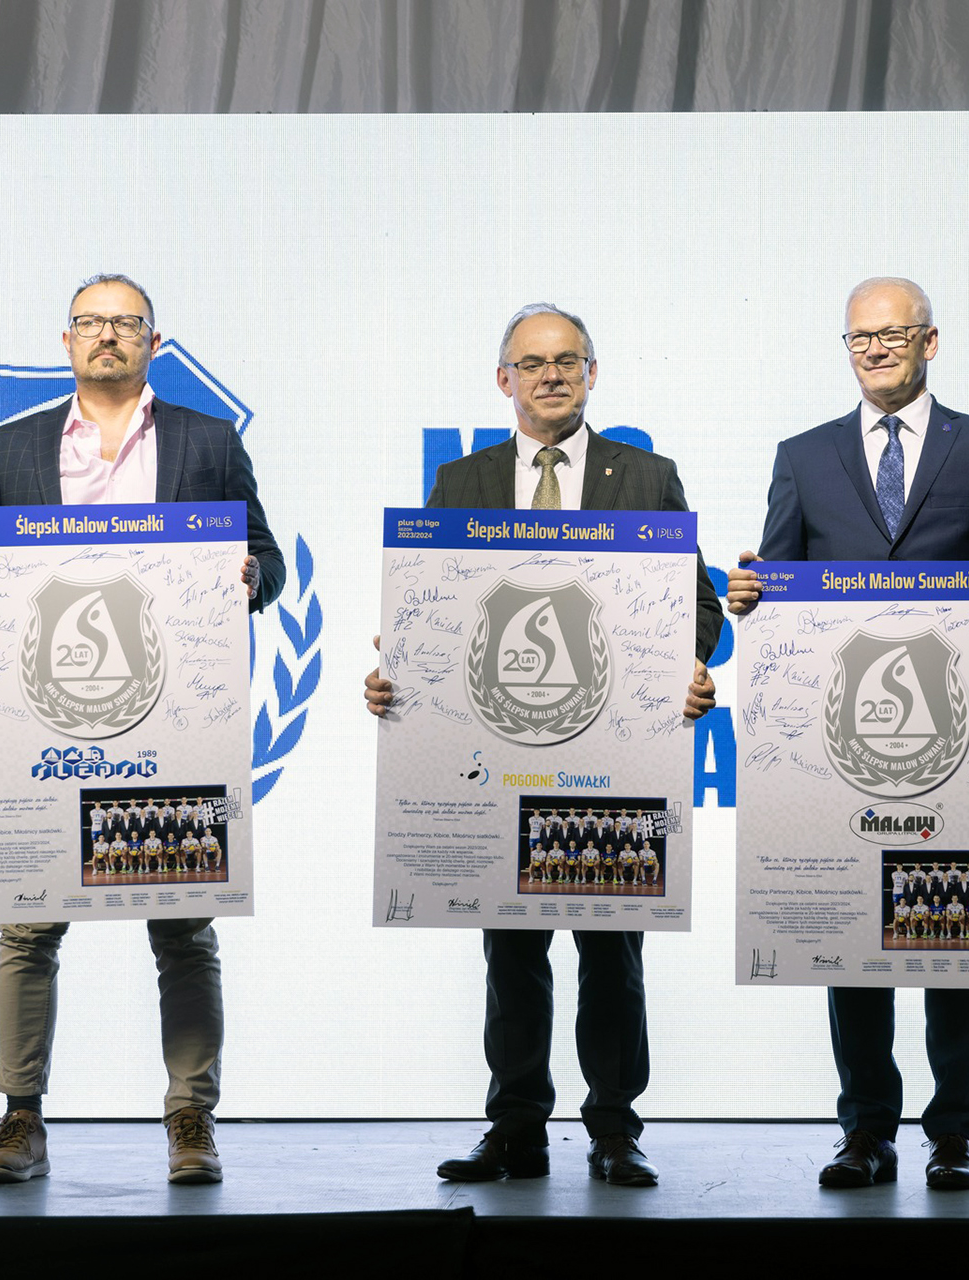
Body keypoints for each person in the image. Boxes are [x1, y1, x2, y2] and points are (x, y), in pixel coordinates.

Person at [0, 273, 284, 1186]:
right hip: (42, 728)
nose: (108, 335)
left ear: (154, 341)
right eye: (91, 322)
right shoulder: (14, 446)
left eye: (126, 323)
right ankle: (20, 1119)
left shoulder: (209, 441)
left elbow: (269, 559)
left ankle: (191, 1120)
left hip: (172, 724)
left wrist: (249, 576)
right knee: (27, 929)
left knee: (183, 930)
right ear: (67, 340)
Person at [363, 302, 723, 1187]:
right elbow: (428, 612)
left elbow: (699, 604)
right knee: (512, 951)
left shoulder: (648, 477)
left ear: (593, 374)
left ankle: (615, 1129)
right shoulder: (462, 483)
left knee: (613, 952)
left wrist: (684, 662)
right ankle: (516, 1127)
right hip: (501, 755)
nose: (551, 375)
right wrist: (397, 675)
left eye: (568, 360)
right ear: (504, 380)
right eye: (532, 363)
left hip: (614, 755)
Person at [726, 277, 969, 1191]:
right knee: (850, 934)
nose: (875, 349)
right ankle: (865, 1130)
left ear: (929, 342)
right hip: (843, 742)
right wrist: (751, 597)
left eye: (893, 334)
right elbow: (781, 590)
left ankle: (954, 1134)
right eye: (860, 337)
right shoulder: (802, 456)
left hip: (961, 740)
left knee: (959, 930)